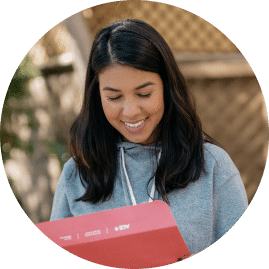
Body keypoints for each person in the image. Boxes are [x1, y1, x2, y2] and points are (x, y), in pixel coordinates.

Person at [50, 19, 248, 255]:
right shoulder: (77, 174)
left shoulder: (212, 166)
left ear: (167, 87)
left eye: (144, 94)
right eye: (114, 97)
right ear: (97, 97)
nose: (131, 111)